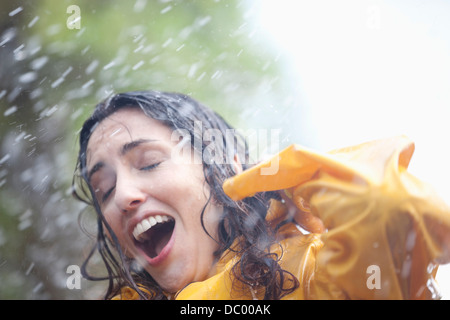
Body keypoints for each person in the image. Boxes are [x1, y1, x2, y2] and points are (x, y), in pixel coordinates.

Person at [72, 90, 450, 300]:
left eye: (149, 162)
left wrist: (311, 182)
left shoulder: (312, 275)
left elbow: (401, 212)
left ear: (229, 169)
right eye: (104, 190)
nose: (122, 195)